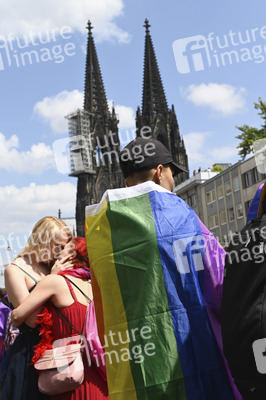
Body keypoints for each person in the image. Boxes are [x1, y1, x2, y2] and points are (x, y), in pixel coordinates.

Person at [96, 136, 240, 399]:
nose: (174, 180)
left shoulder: (102, 231)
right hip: (192, 357)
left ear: (126, 180)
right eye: (172, 172)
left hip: (137, 368)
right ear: (160, 172)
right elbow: (221, 284)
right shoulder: (180, 215)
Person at [11, 237, 109, 400]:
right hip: (98, 377)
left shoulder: (55, 281)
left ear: (71, 255)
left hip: (68, 377)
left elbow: (16, 316)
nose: (59, 251)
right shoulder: (96, 286)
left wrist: (50, 276)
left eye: (64, 248)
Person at [0, 216, 72, 400]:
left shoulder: (52, 266)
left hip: (60, 350)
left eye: (65, 247)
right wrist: (51, 281)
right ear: (42, 240)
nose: (61, 252)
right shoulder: (14, 270)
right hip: (30, 355)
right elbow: (32, 320)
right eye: (58, 246)